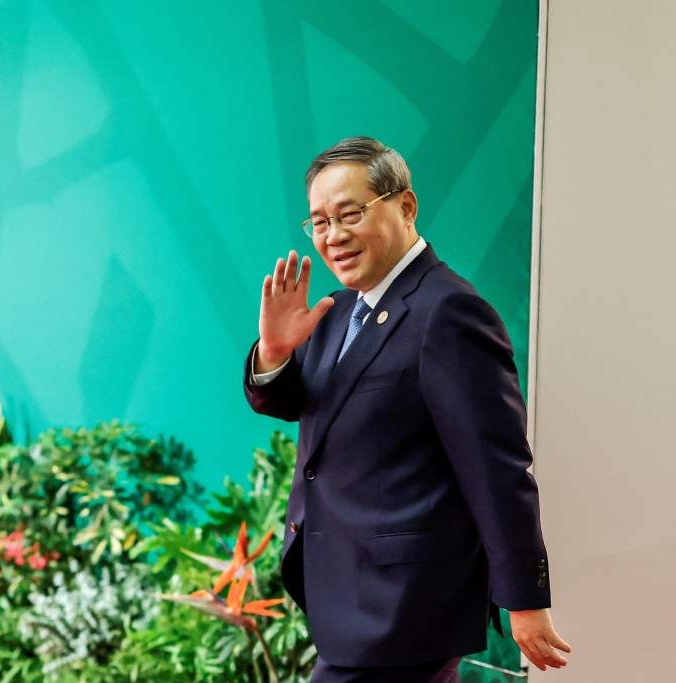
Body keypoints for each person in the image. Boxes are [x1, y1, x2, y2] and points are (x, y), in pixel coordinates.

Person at [243, 137, 570, 682]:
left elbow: (497, 467)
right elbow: (298, 404)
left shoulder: (449, 311)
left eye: (349, 214)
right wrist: (275, 351)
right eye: (319, 222)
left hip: (403, 607)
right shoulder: (340, 310)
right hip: (355, 601)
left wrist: (524, 599)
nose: (333, 236)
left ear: (406, 206)